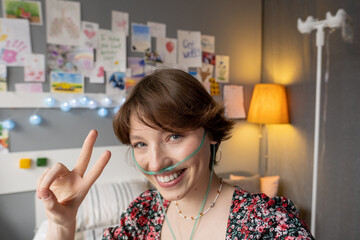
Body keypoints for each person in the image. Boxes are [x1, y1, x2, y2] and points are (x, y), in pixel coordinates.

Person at [37, 69, 314, 240]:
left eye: (174, 136)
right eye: (140, 144)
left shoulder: (267, 224)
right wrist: (62, 225)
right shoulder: (144, 213)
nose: (156, 163)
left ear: (212, 132)